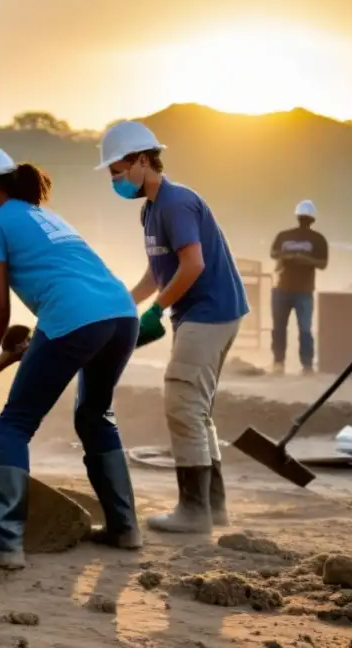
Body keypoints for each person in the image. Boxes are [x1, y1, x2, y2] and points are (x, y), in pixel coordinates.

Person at [0, 146, 141, 568]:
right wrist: (35, 340)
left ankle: (3, 537)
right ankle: (124, 527)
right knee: (94, 415)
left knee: (14, 423)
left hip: (75, 316)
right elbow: (67, 281)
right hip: (122, 314)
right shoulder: (49, 217)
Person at [98, 121, 249, 534]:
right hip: (202, 314)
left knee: (183, 406)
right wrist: (125, 304)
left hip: (209, 312)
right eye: (111, 173)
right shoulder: (150, 209)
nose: (115, 180)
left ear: (143, 160)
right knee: (197, 410)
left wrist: (157, 312)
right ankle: (212, 508)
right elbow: (158, 271)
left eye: (118, 170)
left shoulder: (176, 203)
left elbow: (194, 264)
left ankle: (194, 511)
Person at [269, 200, 329, 375]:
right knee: (284, 328)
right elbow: (273, 253)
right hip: (286, 289)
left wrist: (304, 259)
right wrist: (288, 256)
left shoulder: (316, 239)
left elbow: (322, 263)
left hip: (301, 290)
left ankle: (304, 365)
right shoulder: (289, 236)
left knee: (300, 329)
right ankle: (282, 363)